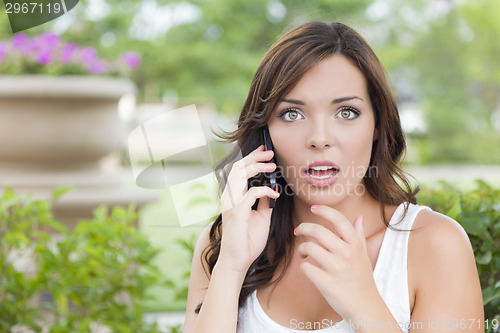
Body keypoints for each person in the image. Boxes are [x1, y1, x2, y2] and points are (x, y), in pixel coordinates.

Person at [182, 21, 484, 333]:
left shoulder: (434, 246)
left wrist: (365, 305)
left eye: (346, 112)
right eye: (292, 114)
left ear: (378, 124)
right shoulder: (224, 243)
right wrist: (231, 267)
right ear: (265, 132)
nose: (319, 138)